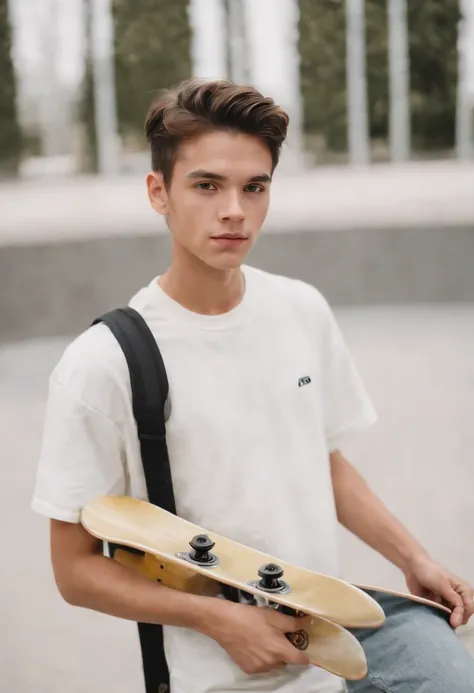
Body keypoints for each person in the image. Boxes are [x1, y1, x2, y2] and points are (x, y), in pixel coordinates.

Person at [31, 78, 474, 693]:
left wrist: (413, 557)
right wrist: (217, 618)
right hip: (221, 674)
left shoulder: (301, 309)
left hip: (332, 644)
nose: (234, 209)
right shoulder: (104, 363)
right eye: (207, 185)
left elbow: (323, 460)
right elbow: (74, 570)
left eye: (254, 187)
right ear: (159, 192)